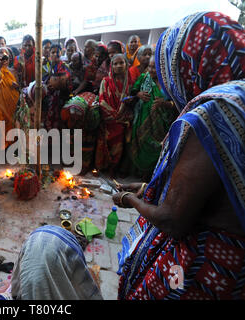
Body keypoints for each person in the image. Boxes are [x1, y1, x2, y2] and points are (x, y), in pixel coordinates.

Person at [114, 11, 245, 300]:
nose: (168, 87)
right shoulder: (240, 100)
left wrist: (130, 200)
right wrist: (148, 189)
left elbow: (173, 219)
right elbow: (209, 192)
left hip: (203, 268)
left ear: (186, 64)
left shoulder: (214, 114)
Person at [121, 56, 178, 179]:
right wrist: (138, 94)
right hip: (143, 120)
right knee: (141, 143)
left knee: (158, 147)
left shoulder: (169, 82)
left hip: (162, 123)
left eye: (155, 67)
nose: (151, 70)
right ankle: (139, 172)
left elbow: (177, 104)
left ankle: (150, 174)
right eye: (150, 67)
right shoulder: (144, 78)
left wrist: (165, 103)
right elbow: (132, 91)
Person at [95, 54, 133, 176]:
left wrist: (122, 114)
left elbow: (132, 101)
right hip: (109, 119)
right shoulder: (105, 81)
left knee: (119, 145)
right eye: (115, 64)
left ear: (126, 64)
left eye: (121, 63)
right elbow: (102, 101)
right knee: (104, 142)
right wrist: (115, 115)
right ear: (111, 66)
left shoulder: (131, 83)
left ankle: (113, 168)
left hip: (123, 120)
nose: (118, 66)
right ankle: (102, 167)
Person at [61, 93, 101, 174]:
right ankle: (71, 159)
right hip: (79, 111)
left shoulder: (92, 116)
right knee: (71, 138)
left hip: (88, 126)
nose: (75, 121)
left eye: (77, 120)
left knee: (87, 143)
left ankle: (84, 165)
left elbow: (92, 128)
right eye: (73, 119)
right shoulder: (66, 111)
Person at [0, 47, 20, 149]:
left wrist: (17, 86)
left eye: (6, 55)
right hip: (1, 103)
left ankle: (14, 146)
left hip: (13, 102)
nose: (3, 56)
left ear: (9, 58)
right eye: (1, 54)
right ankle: (4, 147)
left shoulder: (13, 71)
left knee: (13, 123)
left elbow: (19, 87)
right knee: (2, 123)